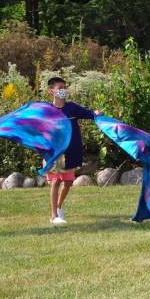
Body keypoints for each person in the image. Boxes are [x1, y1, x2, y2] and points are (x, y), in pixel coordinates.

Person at [43, 77, 100, 224]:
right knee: (55, 181)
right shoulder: (46, 111)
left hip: (72, 151)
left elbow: (90, 114)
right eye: (60, 87)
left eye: (65, 86)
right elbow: (22, 117)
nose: (63, 89)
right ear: (51, 91)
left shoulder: (72, 108)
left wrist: (97, 113)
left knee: (68, 183)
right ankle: (53, 216)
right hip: (56, 152)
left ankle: (59, 207)